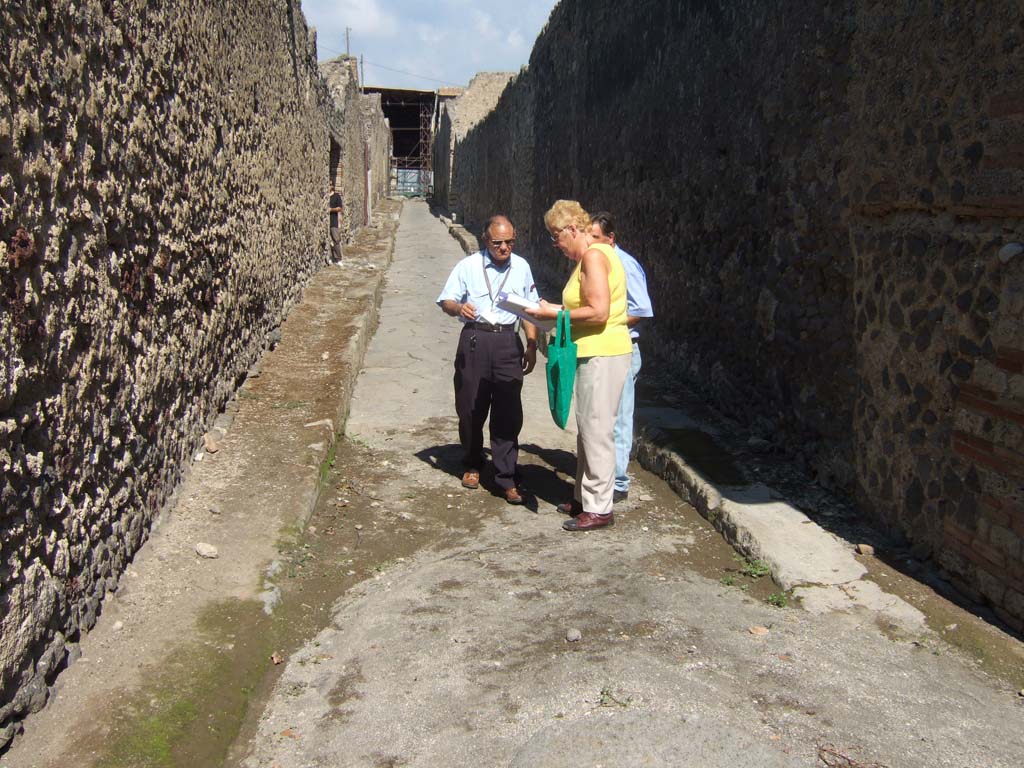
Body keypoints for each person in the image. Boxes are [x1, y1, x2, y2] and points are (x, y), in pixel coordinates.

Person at [526, 200, 632, 531]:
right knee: (587, 428)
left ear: (572, 229)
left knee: (597, 429)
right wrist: (551, 307)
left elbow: (599, 311)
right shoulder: (591, 256)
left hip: (603, 352)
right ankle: (585, 497)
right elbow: (587, 305)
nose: (556, 245)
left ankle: (600, 508)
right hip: (593, 351)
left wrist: (553, 314)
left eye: (556, 237)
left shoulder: (595, 256)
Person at [436, 215, 539, 504]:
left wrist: (531, 344)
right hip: (475, 339)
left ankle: (506, 476)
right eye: (498, 243)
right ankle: (472, 462)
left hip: (508, 341)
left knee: (508, 410)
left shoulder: (522, 267)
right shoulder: (467, 266)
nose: (505, 248)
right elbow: (446, 301)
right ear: (485, 240)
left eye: (510, 242)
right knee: (469, 407)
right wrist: (458, 308)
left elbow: (530, 310)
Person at [590, 212, 654, 503]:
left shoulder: (625, 265)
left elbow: (640, 309)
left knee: (619, 417)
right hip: (606, 345)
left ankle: (618, 481)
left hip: (624, 347)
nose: (591, 243)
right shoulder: (597, 262)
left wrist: (606, 322)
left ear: (610, 238)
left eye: (596, 238)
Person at [328, 182, 344, 263]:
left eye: (330, 184)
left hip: (333, 220)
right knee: (328, 241)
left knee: (336, 240)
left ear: (332, 186)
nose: (329, 186)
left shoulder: (336, 196)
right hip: (326, 222)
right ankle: (331, 257)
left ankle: (338, 258)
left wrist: (331, 209)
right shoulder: (326, 197)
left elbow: (340, 208)